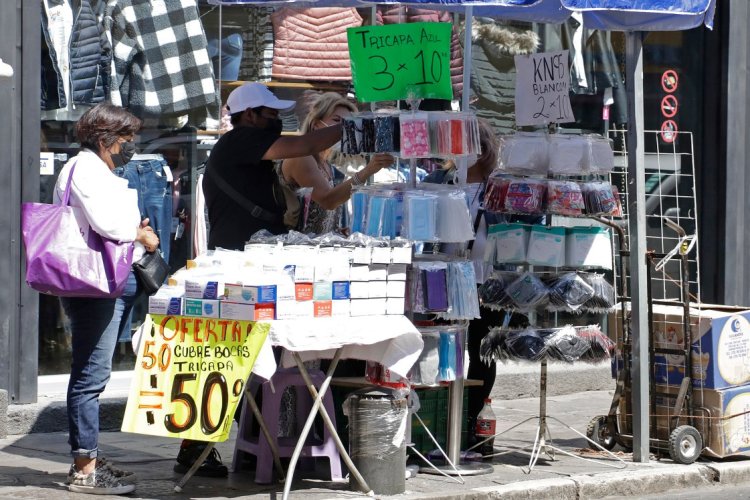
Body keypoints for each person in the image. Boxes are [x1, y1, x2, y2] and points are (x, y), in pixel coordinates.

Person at [176, 82, 347, 477]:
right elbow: (303, 145)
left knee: (243, 362)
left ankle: (255, 438)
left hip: (252, 267)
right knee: (227, 361)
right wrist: (354, 128)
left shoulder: (250, 149)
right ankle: (201, 448)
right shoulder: (238, 143)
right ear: (248, 116)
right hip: (234, 270)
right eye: (270, 114)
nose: (277, 121)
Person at [56, 103, 160, 495]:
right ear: (105, 140)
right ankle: (84, 469)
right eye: (126, 139)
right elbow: (107, 224)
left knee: (93, 374)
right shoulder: (84, 169)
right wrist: (140, 234)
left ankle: (90, 458)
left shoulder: (99, 170)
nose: (130, 147)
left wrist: (135, 230)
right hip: (94, 287)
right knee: (90, 377)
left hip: (111, 282)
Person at [422, 118, 533, 442]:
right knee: (442, 349)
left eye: (472, 145)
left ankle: (472, 422)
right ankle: (442, 419)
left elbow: (520, 227)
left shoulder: (497, 187)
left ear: (484, 150)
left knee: (482, 352)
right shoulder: (439, 181)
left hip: (486, 282)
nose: (465, 152)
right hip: (442, 279)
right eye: (459, 145)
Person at [280, 92, 394, 234]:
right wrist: (368, 170)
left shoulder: (326, 165)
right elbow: (328, 200)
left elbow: (319, 217)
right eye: (337, 121)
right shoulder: (301, 158)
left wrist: (336, 232)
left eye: (348, 124)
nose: (344, 129)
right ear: (315, 124)